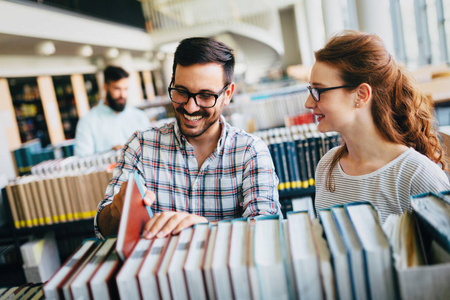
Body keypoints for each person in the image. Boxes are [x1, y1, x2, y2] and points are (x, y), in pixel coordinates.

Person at [94, 37, 281, 240]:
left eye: (206, 96)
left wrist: (207, 229)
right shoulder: (140, 146)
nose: (191, 107)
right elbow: (102, 231)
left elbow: (267, 231)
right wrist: (117, 210)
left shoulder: (251, 152)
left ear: (228, 94)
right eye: (181, 91)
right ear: (172, 82)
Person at [305, 30, 450, 223]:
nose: (308, 103)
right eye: (310, 90)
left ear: (361, 95)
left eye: (318, 91)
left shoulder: (418, 176)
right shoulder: (327, 167)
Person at [74, 65, 151, 157]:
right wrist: (109, 155)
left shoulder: (140, 116)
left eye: (125, 89)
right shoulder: (88, 121)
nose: (123, 95)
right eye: (117, 89)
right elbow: (81, 160)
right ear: (105, 87)